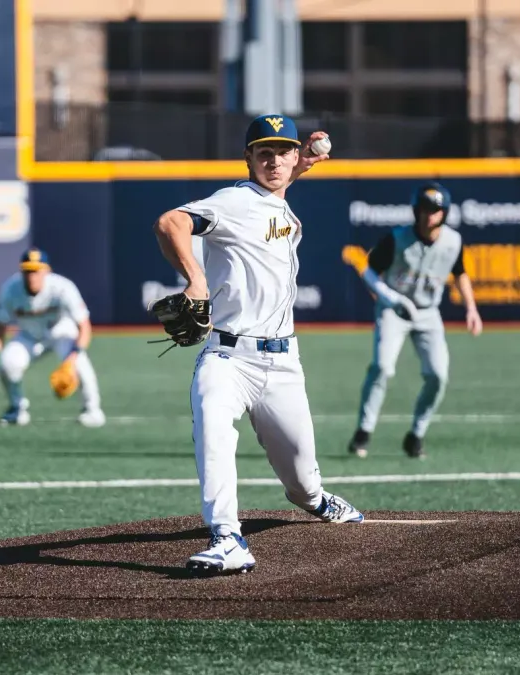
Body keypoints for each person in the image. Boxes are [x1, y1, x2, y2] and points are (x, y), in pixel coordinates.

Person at [151, 114, 365, 576]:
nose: (274, 160)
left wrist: (303, 162)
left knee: (303, 484)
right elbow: (170, 222)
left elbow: (277, 185)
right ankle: (226, 537)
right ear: (247, 157)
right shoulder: (232, 201)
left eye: (282, 151)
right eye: (263, 152)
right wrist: (197, 282)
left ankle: (315, 499)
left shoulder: (275, 197)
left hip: (283, 364)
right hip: (227, 357)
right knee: (213, 430)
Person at [347, 182, 483, 460]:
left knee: (438, 375)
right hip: (394, 310)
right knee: (383, 368)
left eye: (435, 210)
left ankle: (416, 434)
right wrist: (391, 299)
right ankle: (364, 429)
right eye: (424, 209)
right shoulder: (396, 238)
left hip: (428, 313)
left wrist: (471, 308)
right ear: (415, 210)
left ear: (444, 213)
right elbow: (369, 272)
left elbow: (460, 273)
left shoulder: (453, 241)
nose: (429, 215)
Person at [0, 247, 106, 428]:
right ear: (21, 271)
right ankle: (17, 408)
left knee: (79, 364)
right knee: (8, 364)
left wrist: (72, 357)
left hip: (60, 331)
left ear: (47, 271)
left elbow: (84, 326)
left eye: (37, 271)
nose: (32, 276)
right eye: (28, 271)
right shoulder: (10, 289)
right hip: (28, 335)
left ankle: (92, 410)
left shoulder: (63, 288)